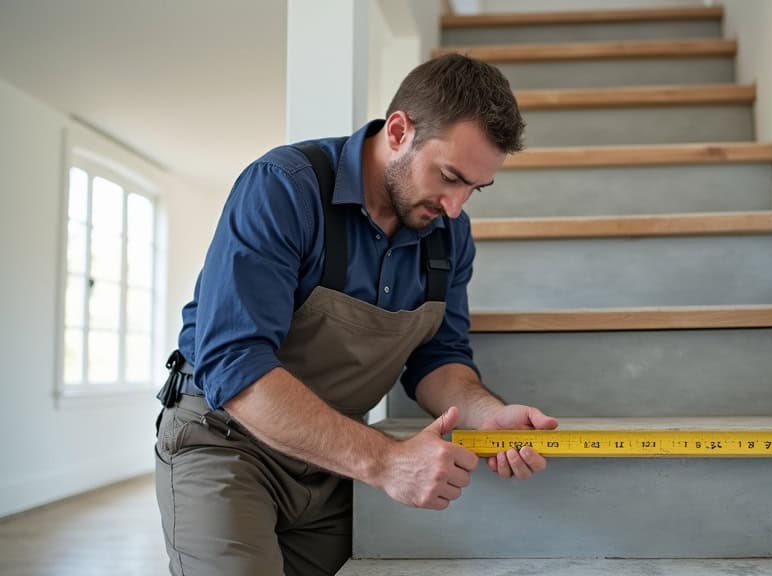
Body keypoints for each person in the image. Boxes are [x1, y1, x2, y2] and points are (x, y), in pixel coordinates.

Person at [153, 53, 558, 576]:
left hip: (336, 463)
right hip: (227, 443)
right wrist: (386, 461)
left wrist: (487, 416)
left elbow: (439, 357)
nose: (456, 207)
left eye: (473, 189)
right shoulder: (283, 188)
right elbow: (235, 363)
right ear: (399, 131)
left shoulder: (449, 234)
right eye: (449, 176)